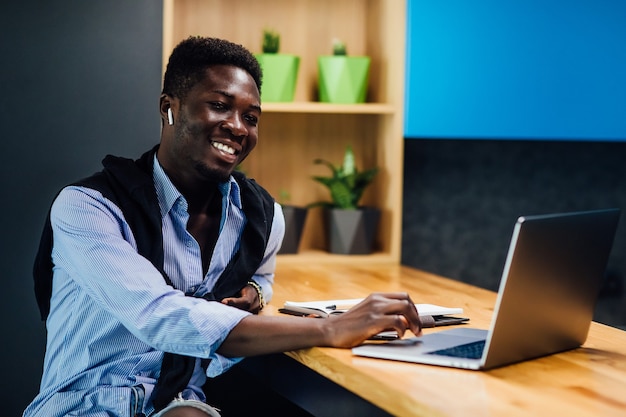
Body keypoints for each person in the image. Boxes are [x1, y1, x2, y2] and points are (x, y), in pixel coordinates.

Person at [24, 36, 422, 417]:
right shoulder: (89, 207)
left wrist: (255, 292)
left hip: (180, 402)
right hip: (87, 404)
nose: (238, 127)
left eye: (251, 117)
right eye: (219, 105)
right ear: (169, 108)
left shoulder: (261, 216)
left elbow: (262, 278)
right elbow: (159, 316)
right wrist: (331, 329)